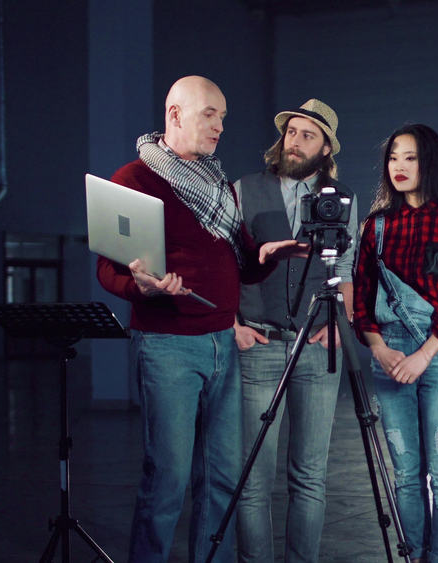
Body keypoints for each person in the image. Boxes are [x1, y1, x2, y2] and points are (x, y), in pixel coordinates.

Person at [96, 76, 304, 563]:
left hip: (222, 345)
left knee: (222, 475)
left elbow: (244, 265)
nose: (220, 126)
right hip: (167, 345)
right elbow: (109, 268)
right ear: (175, 115)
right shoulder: (133, 180)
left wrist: (268, 254)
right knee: (167, 477)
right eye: (210, 114)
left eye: (224, 117)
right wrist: (140, 285)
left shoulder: (217, 184)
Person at [352, 124, 438, 563]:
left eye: (410, 157)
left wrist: (423, 355)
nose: (399, 167)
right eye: (393, 157)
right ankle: (413, 558)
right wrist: (380, 350)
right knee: (407, 474)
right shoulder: (376, 226)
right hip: (389, 356)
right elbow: (361, 299)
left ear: (429, 162)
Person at [233, 98, 358, 563]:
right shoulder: (244, 188)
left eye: (308, 134)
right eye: (292, 132)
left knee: (309, 476)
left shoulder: (341, 196)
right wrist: (233, 325)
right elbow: (226, 261)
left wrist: (340, 325)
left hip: (317, 346)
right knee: (252, 477)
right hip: (258, 342)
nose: (296, 141)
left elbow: (346, 265)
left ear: (326, 148)